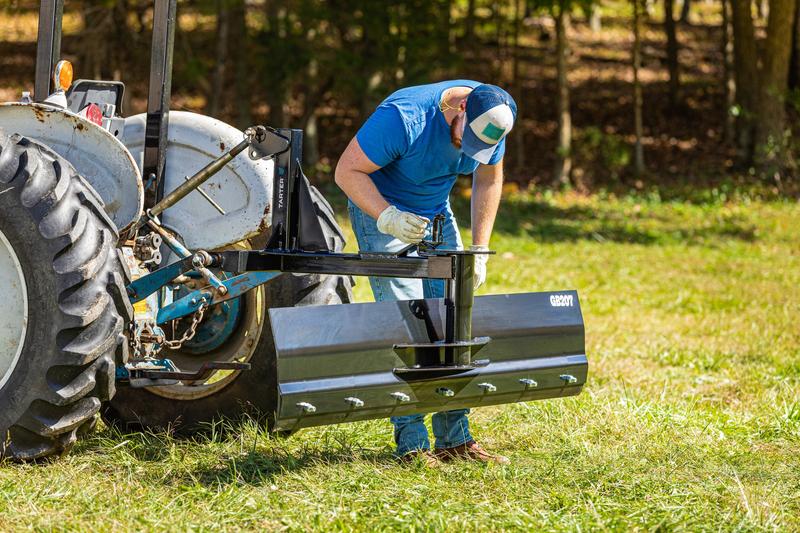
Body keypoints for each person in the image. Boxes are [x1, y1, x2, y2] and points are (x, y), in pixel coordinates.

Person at [334, 80, 516, 467]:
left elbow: (489, 178)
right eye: (464, 139)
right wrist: (388, 218)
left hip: (434, 212)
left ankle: (455, 439)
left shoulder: (494, 116)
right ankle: (412, 444)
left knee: (451, 319)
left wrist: (479, 249)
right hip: (381, 211)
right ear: (461, 107)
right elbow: (346, 172)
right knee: (409, 323)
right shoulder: (404, 118)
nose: (464, 150)